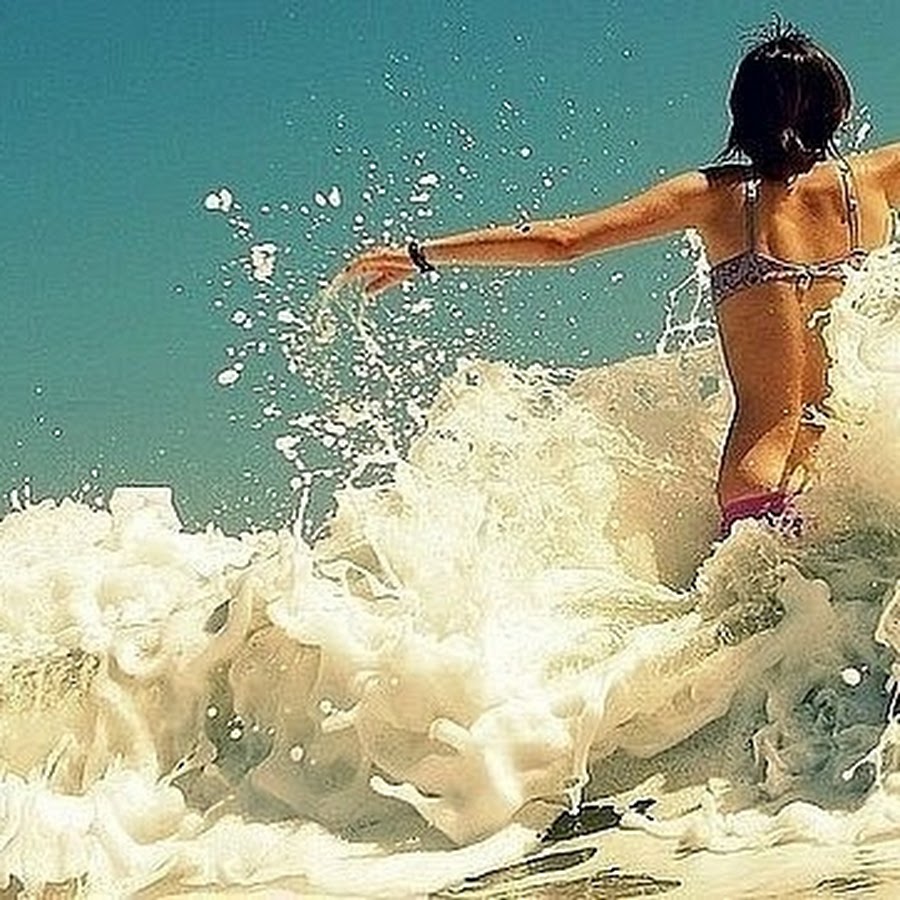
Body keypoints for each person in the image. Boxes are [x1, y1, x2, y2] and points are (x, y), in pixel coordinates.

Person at [334, 26, 900, 534]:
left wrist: (422, 254)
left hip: (756, 481)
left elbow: (563, 240)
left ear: (741, 114)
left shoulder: (712, 197)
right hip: (851, 483)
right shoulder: (873, 181)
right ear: (838, 108)